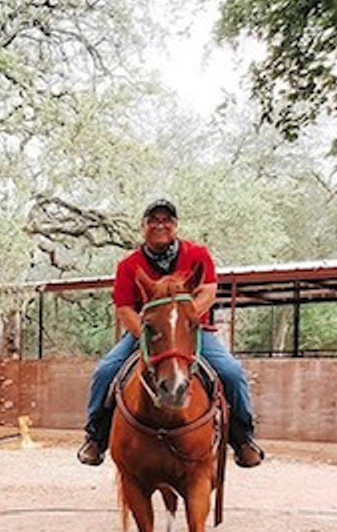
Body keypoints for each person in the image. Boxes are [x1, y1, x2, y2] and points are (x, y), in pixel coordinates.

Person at [77, 198, 265, 469]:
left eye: (166, 220)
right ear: (143, 227)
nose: (160, 225)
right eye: (153, 220)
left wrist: (183, 321)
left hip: (191, 331)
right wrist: (147, 333)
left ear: (175, 226)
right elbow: (125, 308)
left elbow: (208, 291)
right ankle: (96, 437)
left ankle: (242, 437)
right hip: (148, 333)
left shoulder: (197, 254)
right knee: (105, 370)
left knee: (232, 372)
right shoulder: (129, 265)